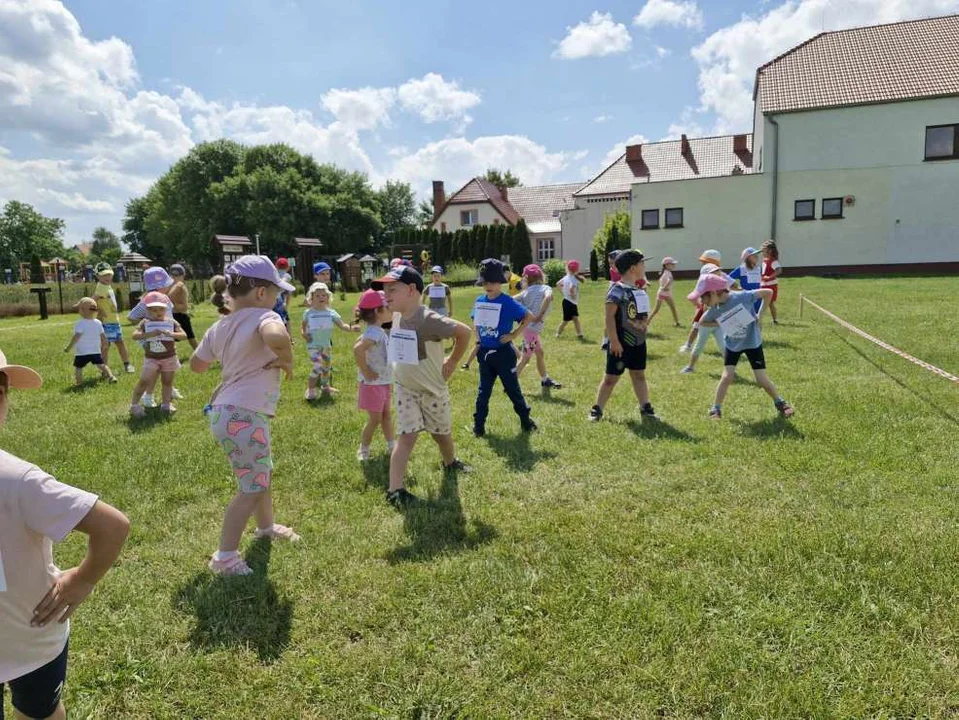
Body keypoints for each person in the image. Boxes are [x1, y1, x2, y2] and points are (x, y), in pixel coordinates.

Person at [0, 349, 129, 720]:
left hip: (31, 639)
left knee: (40, 711)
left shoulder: (19, 481)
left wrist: (82, 579)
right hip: (32, 637)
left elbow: (112, 526)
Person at [190, 255, 300, 576]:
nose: (279, 298)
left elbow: (197, 366)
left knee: (259, 473)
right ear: (261, 293)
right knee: (251, 485)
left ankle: (266, 528)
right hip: (244, 415)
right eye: (277, 291)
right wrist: (288, 358)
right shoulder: (266, 317)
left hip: (226, 411)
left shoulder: (219, 326)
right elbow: (277, 338)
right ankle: (225, 557)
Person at [372, 265, 472, 507]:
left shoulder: (428, 320)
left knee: (441, 435)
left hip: (433, 390)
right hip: (405, 388)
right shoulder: (395, 315)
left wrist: (453, 361)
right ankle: (396, 490)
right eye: (385, 290)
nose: (386, 295)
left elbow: (465, 332)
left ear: (412, 290)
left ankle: (450, 462)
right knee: (406, 436)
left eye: (392, 289)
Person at [690, 274, 795, 420]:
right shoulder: (715, 308)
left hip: (753, 343)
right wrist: (723, 322)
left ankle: (781, 403)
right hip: (733, 345)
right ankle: (716, 409)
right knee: (727, 377)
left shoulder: (742, 296)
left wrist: (760, 315)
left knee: (761, 379)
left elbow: (768, 293)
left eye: (703, 297)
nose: (702, 301)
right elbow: (702, 322)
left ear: (714, 293)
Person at [589, 250, 657, 422]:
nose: (644, 266)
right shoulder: (616, 290)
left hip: (638, 342)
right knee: (611, 378)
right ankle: (597, 409)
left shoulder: (639, 289)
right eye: (642, 263)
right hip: (620, 343)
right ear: (633, 268)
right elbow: (609, 316)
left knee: (639, 374)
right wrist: (614, 341)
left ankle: (645, 406)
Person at [471, 259, 537, 437]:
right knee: (483, 392)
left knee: (512, 389)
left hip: (503, 354)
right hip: (485, 354)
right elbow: (475, 321)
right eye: (485, 282)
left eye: (492, 281)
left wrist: (514, 335)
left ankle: (526, 420)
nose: (488, 286)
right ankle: (478, 426)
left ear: (500, 281)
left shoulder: (507, 302)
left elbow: (529, 317)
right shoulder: (480, 301)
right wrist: (478, 337)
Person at [128, 267, 182, 407]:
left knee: (166, 365)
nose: (168, 286)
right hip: (151, 340)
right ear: (158, 286)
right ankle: (148, 396)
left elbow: (169, 316)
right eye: (165, 284)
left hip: (166, 338)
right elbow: (132, 316)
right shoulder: (146, 301)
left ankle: (169, 389)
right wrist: (147, 322)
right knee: (155, 369)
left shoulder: (165, 299)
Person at [352, 289, 395, 461]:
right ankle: (364, 448)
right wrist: (366, 371)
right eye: (387, 307)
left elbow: (359, 344)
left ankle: (392, 445)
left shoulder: (376, 330)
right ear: (378, 311)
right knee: (375, 419)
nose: (391, 309)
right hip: (372, 384)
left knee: (386, 415)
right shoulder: (374, 333)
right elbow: (357, 349)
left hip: (383, 381)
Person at [129, 292, 187, 417]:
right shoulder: (145, 322)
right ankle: (134, 406)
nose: (158, 312)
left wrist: (171, 334)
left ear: (166, 308)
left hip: (169, 357)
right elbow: (134, 336)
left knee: (167, 381)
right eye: (153, 310)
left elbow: (183, 335)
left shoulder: (171, 322)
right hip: (152, 358)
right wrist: (150, 334)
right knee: (144, 381)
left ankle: (166, 405)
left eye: (161, 309)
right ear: (148, 310)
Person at [301, 282, 359, 399]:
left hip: (326, 346)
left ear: (328, 297)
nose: (321, 298)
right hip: (313, 345)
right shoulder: (308, 313)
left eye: (323, 295)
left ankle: (325, 387)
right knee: (318, 366)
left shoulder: (331, 313)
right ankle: (311, 390)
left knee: (326, 367)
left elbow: (342, 326)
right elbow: (302, 327)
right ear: (311, 298)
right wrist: (304, 335)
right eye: (317, 296)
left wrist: (352, 328)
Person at [515, 264, 562, 389]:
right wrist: (540, 315)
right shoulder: (545, 288)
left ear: (526, 278)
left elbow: (511, 301)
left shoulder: (525, 292)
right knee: (525, 358)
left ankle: (545, 379)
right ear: (541, 276)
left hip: (529, 329)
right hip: (532, 331)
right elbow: (547, 297)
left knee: (539, 353)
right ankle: (510, 384)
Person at [680, 264, 729, 374]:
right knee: (699, 345)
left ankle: (730, 369)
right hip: (707, 326)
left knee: (723, 346)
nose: (702, 301)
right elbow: (702, 317)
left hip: (717, 324)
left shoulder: (720, 291)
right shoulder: (707, 296)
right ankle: (690, 367)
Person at [63, 297, 117, 385]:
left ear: (82, 310)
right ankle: (111, 376)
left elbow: (76, 337)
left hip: (82, 352)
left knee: (78, 368)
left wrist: (69, 348)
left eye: (79, 309)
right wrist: (105, 345)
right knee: (101, 365)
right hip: (95, 351)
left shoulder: (80, 323)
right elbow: (103, 337)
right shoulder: (98, 323)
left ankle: (79, 383)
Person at [92, 262, 135, 374]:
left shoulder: (107, 286)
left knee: (118, 343)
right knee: (106, 346)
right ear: (97, 276)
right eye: (103, 275)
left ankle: (125, 365)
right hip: (106, 323)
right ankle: (105, 369)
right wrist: (98, 311)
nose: (107, 277)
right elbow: (91, 302)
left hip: (113, 321)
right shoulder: (101, 287)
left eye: (109, 274)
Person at [680, 249, 722, 353]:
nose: (702, 263)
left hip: (716, 306)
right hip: (704, 305)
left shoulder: (719, 275)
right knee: (696, 326)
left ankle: (729, 347)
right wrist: (699, 305)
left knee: (720, 327)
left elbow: (730, 285)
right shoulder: (704, 274)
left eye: (705, 261)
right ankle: (688, 345)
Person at [168, 264, 198, 351]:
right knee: (169, 337)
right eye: (173, 275)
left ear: (183, 276)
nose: (175, 278)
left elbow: (184, 307)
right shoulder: (169, 285)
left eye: (177, 275)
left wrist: (170, 302)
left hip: (181, 315)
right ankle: (170, 355)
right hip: (172, 314)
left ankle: (199, 352)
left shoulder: (179, 285)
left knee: (190, 337)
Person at [727, 247, 764, 313]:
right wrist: (737, 289)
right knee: (747, 316)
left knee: (757, 315)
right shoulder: (741, 269)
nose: (757, 257)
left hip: (758, 296)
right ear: (747, 258)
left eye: (757, 255)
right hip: (747, 297)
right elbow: (728, 279)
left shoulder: (758, 268)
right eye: (754, 255)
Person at [648, 257, 681, 327]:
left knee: (656, 310)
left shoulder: (664, 272)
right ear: (666, 265)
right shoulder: (668, 273)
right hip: (666, 293)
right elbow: (670, 280)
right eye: (672, 264)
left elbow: (663, 281)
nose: (674, 265)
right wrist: (665, 287)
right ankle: (677, 322)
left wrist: (663, 287)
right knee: (672, 308)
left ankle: (647, 321)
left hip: (661, 293)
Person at [555, 260, 583, 339]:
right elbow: (571, 288)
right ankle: (558, 333)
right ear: (577, 270)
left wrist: (563, 293)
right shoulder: (574, 279)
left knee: (574, 318)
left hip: (566, 301)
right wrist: (572, 295)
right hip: (570, 302)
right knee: (568, 320)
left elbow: (558, 284)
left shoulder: (566, 277)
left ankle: (579, 334)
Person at [760, 240, 783, 324]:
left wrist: (770, 277)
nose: (762, 251)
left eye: (764, 250)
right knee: (760, 301)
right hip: (763, 284)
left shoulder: (773, 261)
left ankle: (775, 320)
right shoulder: (764, 260)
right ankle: (758, 317)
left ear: (769, 251)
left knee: (770, 303)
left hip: (771, 285)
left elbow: (779, 270)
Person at [273, 257, 294, 330]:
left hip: (272, 298)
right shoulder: (287, 276)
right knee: (285, 318)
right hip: (280, 300)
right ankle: (288, 337)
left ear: (276, 266)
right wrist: (286, 304)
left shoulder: (273, 275)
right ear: (287, 267)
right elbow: (288, 292)